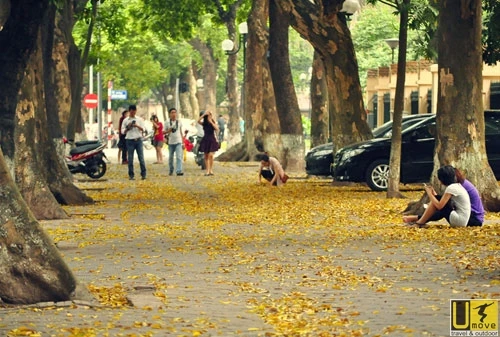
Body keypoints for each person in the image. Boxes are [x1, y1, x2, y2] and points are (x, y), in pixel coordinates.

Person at [403, 165, 471, 228]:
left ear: (442, 179)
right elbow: (441, 201)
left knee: (436, 202)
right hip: (461, 220)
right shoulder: (456, 186)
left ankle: (419, 223)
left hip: (459, 220)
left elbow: (439, 206)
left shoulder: (451, 188)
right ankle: (419, 221)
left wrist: (430, 194)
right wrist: (433, 194)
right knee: (437, 200)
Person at [121, 105, 147, 180]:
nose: (133, 113)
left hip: (138, 140)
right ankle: (131, 175)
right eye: (131, 111)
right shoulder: (125, 120)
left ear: (136, 111)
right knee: (130, 158)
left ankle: (143, 174)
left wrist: (136, 126)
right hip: (129, 140)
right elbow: (122, 131)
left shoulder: (139, 119)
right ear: (129, 111)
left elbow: (144, 129)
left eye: (134, 111)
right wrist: (128, 128)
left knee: (141, 158)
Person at [198, 110, 219, 176]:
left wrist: (211, 121)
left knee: (211, 155)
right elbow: (198, 121)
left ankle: (211, 169)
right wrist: (204, 115)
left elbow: (217, 128)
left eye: (210, 115)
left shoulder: (212, 122)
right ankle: (207, 170)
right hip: (205, 139)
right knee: (206, 156)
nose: (209, 116)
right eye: (208, 115)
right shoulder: (204, 123)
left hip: (212, 139)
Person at [165, 108, 184, 176]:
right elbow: (163, 132)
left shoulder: (179, 122)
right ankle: (171, 169)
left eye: (175, 112)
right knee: (170, 158)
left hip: (178, 141)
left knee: (179, 157)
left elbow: (181, 132)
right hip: (171, 142)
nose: (174, 114)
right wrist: (168, 131)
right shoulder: (167, 122)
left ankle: (179, 170)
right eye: (172, 112)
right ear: (170, 114)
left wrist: (183, 142)